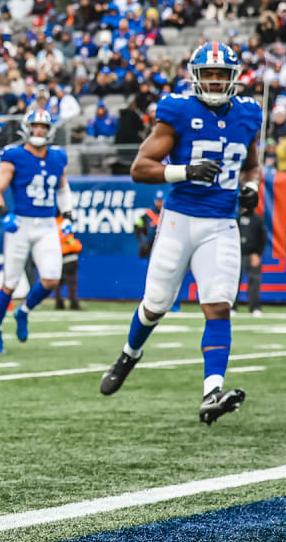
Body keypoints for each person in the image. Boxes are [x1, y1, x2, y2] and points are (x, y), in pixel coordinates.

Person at [100, 42, 263, 426]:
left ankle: (212, 392)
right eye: (209, 74)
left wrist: (252, 190)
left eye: (222, 74)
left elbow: (252, 166)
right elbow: (140, 168)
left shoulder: (248, 114)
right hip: (179, 220)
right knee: (155, 303)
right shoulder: (178, 110)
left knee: (219, 304)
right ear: (196, 76)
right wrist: (184, 171)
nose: (215, 81)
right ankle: (129, 355)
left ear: (233, 77)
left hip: (221, 223)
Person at [0, 110, 74, 353]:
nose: (39, 131)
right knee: (10, 283)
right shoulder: (14, 155)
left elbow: (63, 189)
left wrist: (67, 216)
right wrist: (5, 214)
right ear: (27, 128)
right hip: (21, 224)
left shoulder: (58, 157)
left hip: (47, 224)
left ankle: (23, 311)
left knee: (51, 279)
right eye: (35, 126)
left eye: (43, 127)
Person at [236, 201, 266, 316]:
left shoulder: (258, 220)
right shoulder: (236, 219)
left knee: (254, 282)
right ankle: (232, 307)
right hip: (237, 254)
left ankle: (255, 307)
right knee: (232, 283)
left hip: (251, 255)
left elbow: (262, 239)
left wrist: (258, 254)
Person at [55, 213, 82, 310]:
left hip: (57, 259)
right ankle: (74, 303)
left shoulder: (52, 224)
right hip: (69, 258)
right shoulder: (64, 224)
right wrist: (76, 245)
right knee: (72, 284)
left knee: (57, 284)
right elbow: (73, 244)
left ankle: (59, 303)